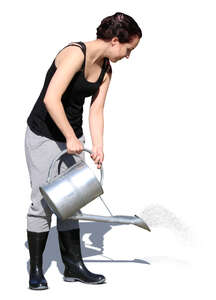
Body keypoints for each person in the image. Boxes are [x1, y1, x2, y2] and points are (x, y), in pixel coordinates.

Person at [24, 11, 142, 290]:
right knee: (42, 204)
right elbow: (51, 99)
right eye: (128, 49)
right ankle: (37, 270)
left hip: (72, 138)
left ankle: (73, 267)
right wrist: (68, 136)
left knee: (71, 202)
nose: (128, 56)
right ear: (115, 41)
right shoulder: (74, 54)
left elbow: (96, 111)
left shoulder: (105, 70)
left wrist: (98, 145)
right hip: (43, 135)